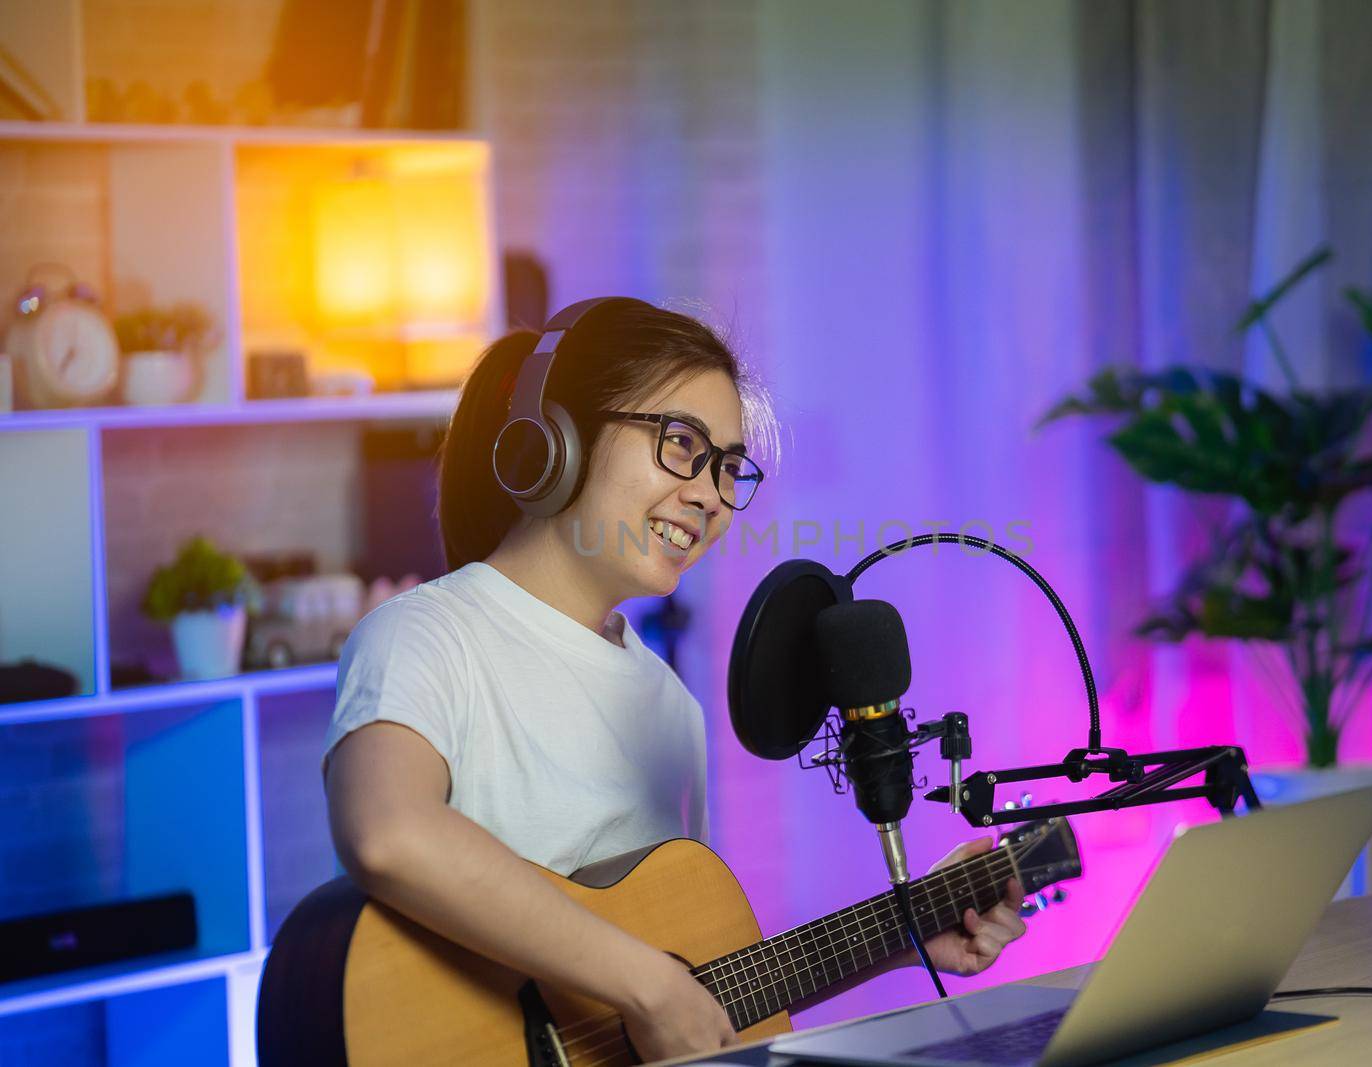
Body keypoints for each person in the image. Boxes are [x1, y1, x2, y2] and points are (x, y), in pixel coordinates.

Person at [321, 299, 1025, 1063]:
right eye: (682, 443)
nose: (713, 496)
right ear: (556, 436)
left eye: (728, 468)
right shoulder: (427, 634)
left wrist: (905, 934)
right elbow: (388, 833)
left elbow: (693, 988)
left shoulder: (669, 706)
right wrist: (646, 985)